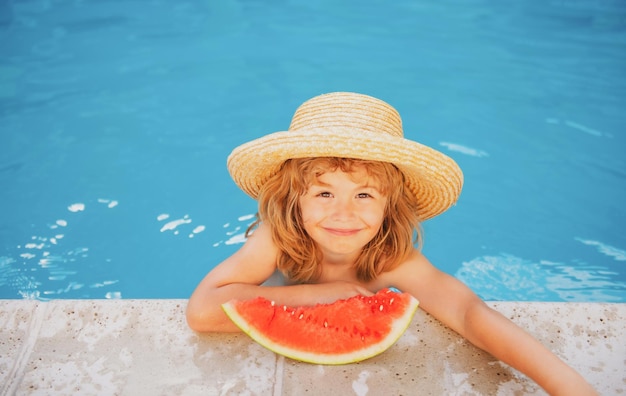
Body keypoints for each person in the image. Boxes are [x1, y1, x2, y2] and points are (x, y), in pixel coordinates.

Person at [187, 92, 597, 395]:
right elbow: (203, 311)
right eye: (323, 194)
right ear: (293, 200)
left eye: (364, 195)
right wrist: (319, 295)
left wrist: (566, 386)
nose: (343, 214)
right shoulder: (277, 239)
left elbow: (468, 312)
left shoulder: (389, 257)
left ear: (390, 205)